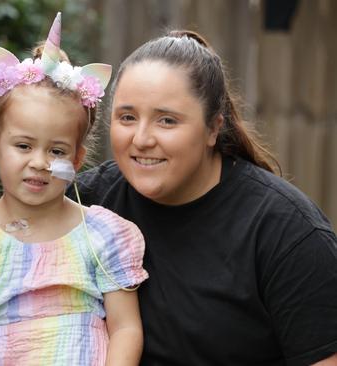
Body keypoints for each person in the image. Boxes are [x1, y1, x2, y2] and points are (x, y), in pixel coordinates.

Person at [67, 29, 337, 365]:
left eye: (167, 120)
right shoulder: (82, 204)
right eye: (127, 117)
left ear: (213, 128)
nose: (141, 138)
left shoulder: (287, 233)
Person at [0, 13, 149, 366]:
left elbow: (126, 329)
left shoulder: (100, 234)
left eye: (56, 151)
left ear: (78, 158)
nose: (39, 162)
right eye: (23, 146)